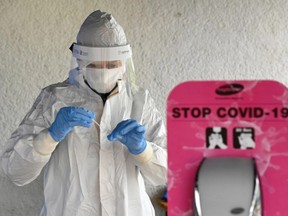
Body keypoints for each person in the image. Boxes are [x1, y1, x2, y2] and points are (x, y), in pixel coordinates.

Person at [0, 10, 167, 216]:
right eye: (96, 65)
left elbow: (170, 176)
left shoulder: (140, 101)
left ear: (124, 63)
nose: (105, 71)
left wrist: (144, 150)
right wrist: (48, 138)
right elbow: (15, 172)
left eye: (113, 65)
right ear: (80, 61)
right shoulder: (54, 99)